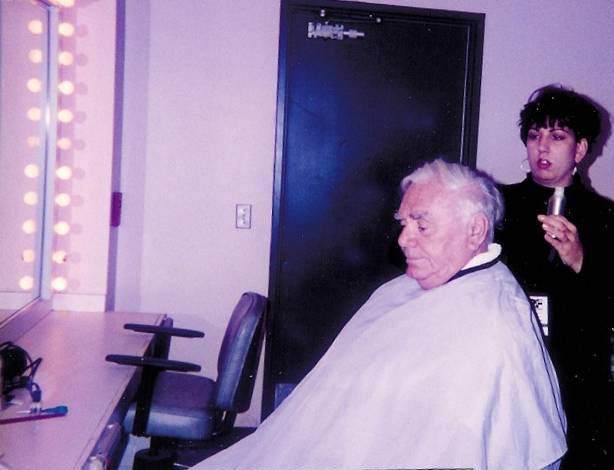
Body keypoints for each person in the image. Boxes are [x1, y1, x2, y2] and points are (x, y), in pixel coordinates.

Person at [194, 159, 566, 470]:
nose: (404, 239)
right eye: (403, 224)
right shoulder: (420, 282)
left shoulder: (489, 325)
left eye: (422, 225)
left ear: (475, 230)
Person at [495, 84, 614, 469]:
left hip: (575, 379)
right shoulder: (495, 203)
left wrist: (582, 261)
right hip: (506, 366)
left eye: (557, 136)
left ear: (580, 149)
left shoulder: (606, 218)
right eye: (534, 136)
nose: (542, 148)